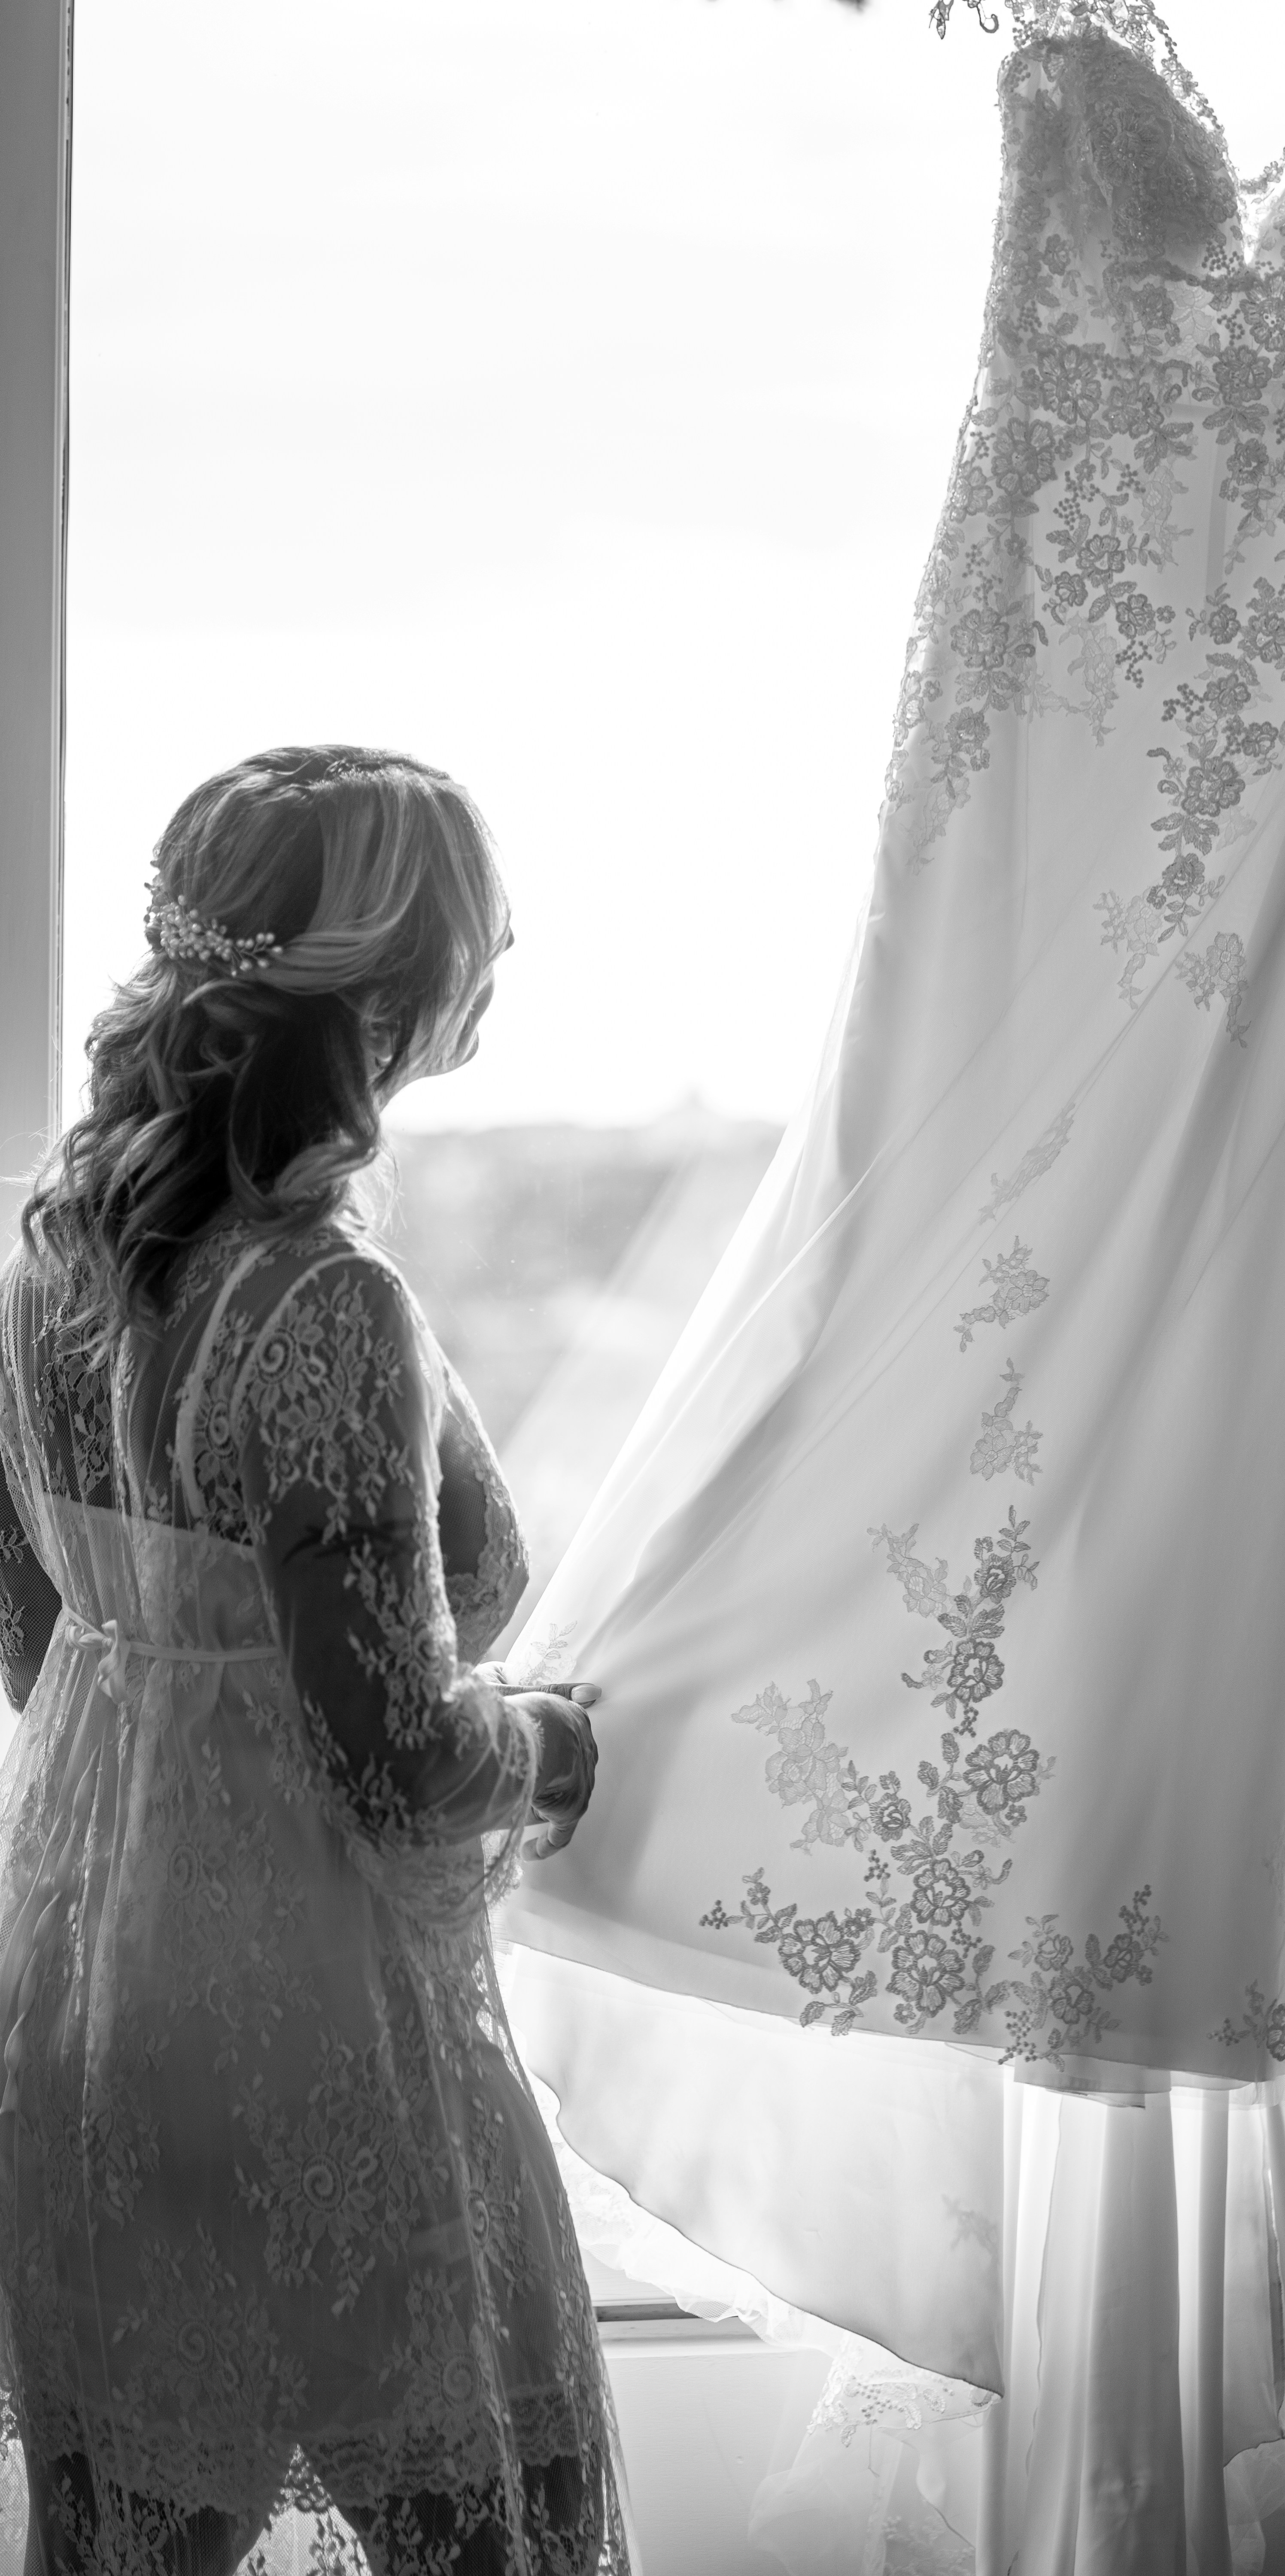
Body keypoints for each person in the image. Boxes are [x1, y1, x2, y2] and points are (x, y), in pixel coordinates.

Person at [0, 747, 629, 2574]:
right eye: (474, 932)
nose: (499, 960)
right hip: (319, 2011)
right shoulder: (320, 1301)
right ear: (384, 984)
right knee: (499, 2522)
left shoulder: (49, 1268)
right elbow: (396, 1758)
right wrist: (556, 1748)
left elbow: (42, 1645)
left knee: (135, 2532)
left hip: (91, 1992)